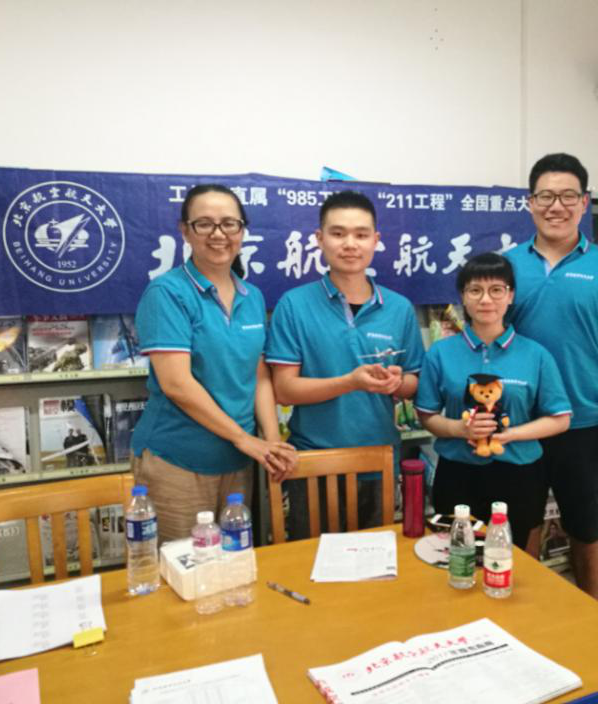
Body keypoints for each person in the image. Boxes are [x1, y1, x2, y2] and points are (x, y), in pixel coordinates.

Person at [505, 153, 598, 598]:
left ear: (584, 203)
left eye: (568, 196)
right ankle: (521, 614)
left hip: (586, 422)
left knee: (586, 525)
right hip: (521, 423)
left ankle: (591, 610)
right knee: (520, 525)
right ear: (530, 203)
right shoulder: (506, 266)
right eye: (546, 196)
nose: (556, 206)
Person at [131, 184, 297, 543]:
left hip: (238, 460)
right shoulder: (167, 293)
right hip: (178, 461)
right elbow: (177, 384)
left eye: (229, 223)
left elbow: (259, 374)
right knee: (186, 567)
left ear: (242, 230)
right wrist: (245, 440)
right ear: (185, 230)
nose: (218, 234)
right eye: (204, 223)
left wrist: (271, 442)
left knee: (234, 564)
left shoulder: (252, 296)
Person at [266, 191, 424, 538]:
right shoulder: (294, 305)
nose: (350, 244)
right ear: (319, 239)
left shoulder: (399, 308)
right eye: (338, 233)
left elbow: (414, 382)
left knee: (378, 562)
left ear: (376, 240)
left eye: (361, 234)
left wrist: (397, 382)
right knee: (312, 561)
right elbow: (284, 390)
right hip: (315, 463)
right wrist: (351, 382)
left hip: (379, 461)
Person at [414, 252, 571, 549]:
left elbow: (560, 419)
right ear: (463, 296)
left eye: (496, 290)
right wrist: (459, 429)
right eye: (475, 290)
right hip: (457, 473)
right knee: (456, 555)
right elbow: (427, 415)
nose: (486, 299)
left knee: (514, 557)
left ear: (510, 296)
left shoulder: (536, 354)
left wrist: (510, 434)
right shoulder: (440, 353)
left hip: (520, 474)